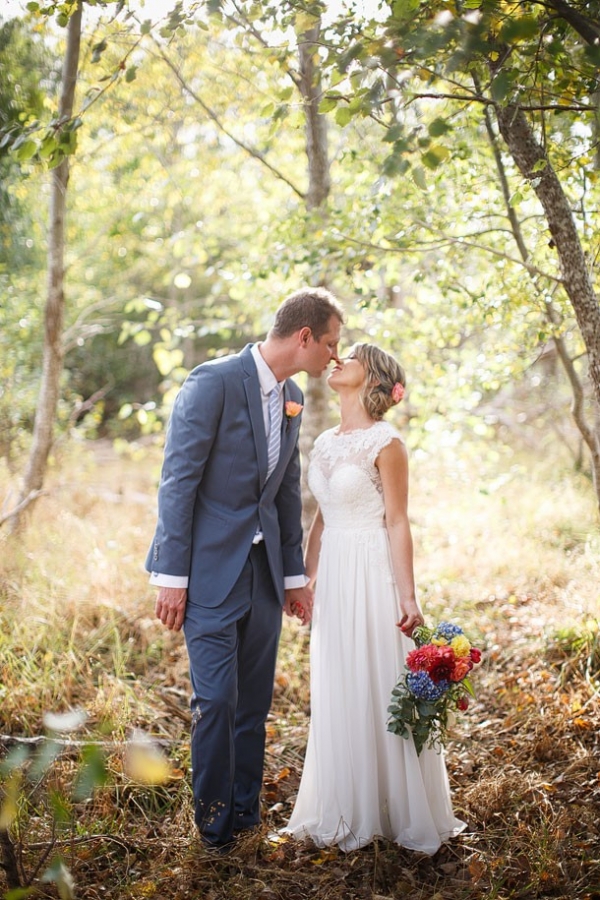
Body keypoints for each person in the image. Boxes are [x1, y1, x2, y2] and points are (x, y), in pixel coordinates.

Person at [146, 286, 344, 851]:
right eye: (329, 344)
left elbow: (284, 494)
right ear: (303, 336)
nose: (334, 356)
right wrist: (171, 577)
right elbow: (178, 482)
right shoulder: (212, 382)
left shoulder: (294, 397)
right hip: (206, 573)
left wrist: (292, 579)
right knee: (216, 702)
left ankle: (245, 815)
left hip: (261, 578)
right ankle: (212, 830)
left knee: (253, 703)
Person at [282, 343, 466, 854]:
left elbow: (398, 520)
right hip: (336, 573)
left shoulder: (388, 443)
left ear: (373, 379)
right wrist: (303, 578)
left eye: (353, 357)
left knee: (378, 679)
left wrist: (408, 595)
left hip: (372, 569)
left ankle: (395, 808)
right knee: (341, 679)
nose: (338, 360)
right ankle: (344, 803)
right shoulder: (324, 442)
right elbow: (320, 517)